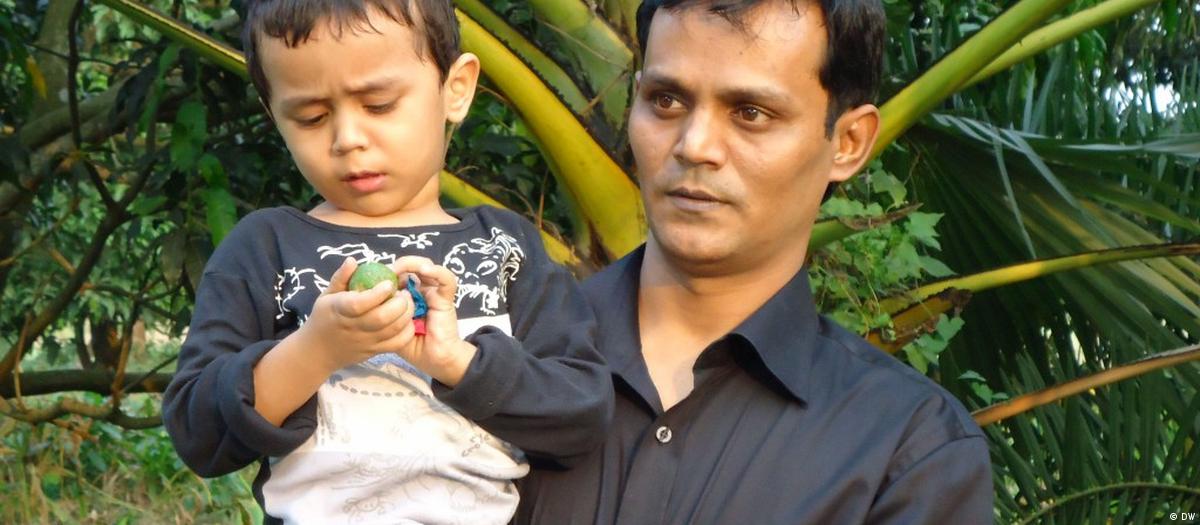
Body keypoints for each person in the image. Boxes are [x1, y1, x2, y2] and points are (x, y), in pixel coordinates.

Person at [515, 0, 993, 523]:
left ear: (848, 142)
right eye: (666, 100)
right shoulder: (492, 352)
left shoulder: (908, 452)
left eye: (750, 113)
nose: (694, 146)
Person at [160, 1, 612, 523]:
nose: (347, 139)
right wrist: (315, 350)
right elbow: (198, 434)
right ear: (274, 114)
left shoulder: (506, 248)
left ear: (456, 89)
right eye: (311, 117)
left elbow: (581, 415)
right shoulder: (264, 248)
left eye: (378, 105)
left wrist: (456, 363)